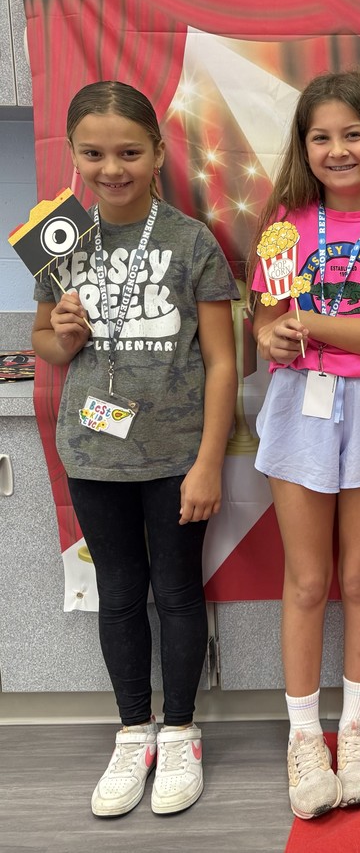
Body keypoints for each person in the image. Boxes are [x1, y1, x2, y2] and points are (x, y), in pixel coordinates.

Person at [31, 81, 238, 817]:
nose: (110, 167)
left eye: (128, 151)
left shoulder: (191, 241)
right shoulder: (59, 237)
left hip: (178, 454)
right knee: (119, 594)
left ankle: (180, 730)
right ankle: (133, 730)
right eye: (93, 153)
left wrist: (210, 458)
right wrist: (62, 330)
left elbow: (223, 360)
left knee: (177, 591)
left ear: (157, 153)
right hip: (92, 454)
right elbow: (44, 345)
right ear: (74, 154)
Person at [249, 70, 360, 819]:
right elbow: (264, 323)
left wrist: (313, 324)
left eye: (353, 133)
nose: (337, 148)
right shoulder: (285, 222)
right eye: (320, 136)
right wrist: (273, 330)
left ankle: (356, 728)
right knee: (306, 579)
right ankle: (304, 735)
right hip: (300, 405)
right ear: (304, 146)